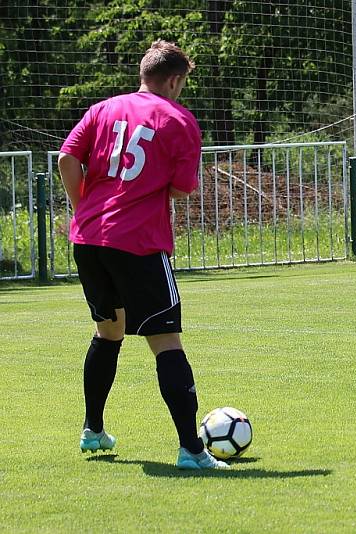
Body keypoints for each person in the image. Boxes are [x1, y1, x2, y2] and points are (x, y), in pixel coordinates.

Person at [58, 40, 227, 469]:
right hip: (137, 243)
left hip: (88, 240)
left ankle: (93, 431)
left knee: (108, 332)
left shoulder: (103, 108)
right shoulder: (179, 119)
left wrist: (84, 210)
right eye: (182, 83)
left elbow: (66, 158)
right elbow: (181, 188)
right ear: (173, 80)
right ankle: (192, 451)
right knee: (166, 341)